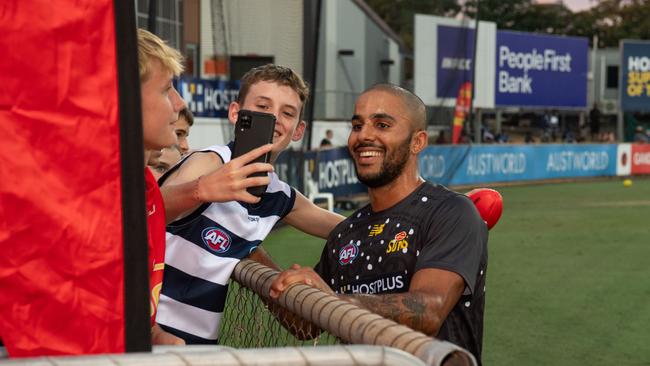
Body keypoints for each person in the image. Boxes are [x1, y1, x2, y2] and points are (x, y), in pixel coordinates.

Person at [270, 84, 488, 363]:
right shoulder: (346, 232)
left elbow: (428, 311)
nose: (364, 136)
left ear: (417, 142)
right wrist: (251, 255)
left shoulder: (451, 212)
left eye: (382, 124)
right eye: (357, 125)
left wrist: (333, 300)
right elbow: (306, 325)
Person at [155, 64, 345, 344]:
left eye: (287, 113)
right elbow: (146, 213)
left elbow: (347, 228)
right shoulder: (211, 162)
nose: (275, 119)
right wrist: (202, 189)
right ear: (236, 113)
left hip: (198, 345)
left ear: (298, 130)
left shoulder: (280, 196)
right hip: (147, 336)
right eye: (263, 106)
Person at [136, 28, 187, 345]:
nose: (179, 103)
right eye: (167, 89)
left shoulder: (146, 189)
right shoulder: (93, 199)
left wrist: (156, 335)